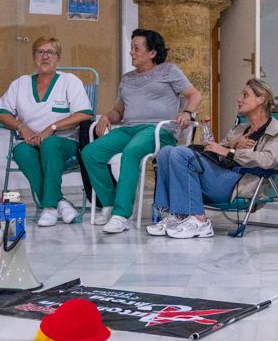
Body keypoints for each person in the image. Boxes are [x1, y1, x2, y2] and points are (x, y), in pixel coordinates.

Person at [81, 28, 201, 234]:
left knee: (131, 151)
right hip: (129, 128)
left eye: (136, 48)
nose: (131, 52)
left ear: (152, 52)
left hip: (157, 130)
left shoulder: (169, 71)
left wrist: (188, 112)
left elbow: (195, 95)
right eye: (131, 48)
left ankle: (121, 215)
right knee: (90, 153)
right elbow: (119, 110)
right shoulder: (127, 78)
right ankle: (109, 204)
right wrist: (107, 116)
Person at [147, 78, 278, 239]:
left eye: (245, 95)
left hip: (239, 184)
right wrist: (234, 144)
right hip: (219, 176)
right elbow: (216, 151)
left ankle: (200, 221)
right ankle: (178, 216)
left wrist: (231, 152)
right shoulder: (241, 128)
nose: (239, 99)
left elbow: (267, 160)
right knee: (166, 152)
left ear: (260, 99)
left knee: (180, 153)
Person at [0, 36, 94, 227]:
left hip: (64, 142)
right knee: (20, 151)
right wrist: (22, 128)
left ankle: (49, 206)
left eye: (51, 52)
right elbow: (0, 112)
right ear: (34, 57)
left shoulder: (69, 81)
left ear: (58, 58)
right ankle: (60, 203)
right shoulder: (20, 83)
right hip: (31, 141)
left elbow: (85, 113)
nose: (45, 56)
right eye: (40, 52)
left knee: (50, 143)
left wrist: (52, 128)